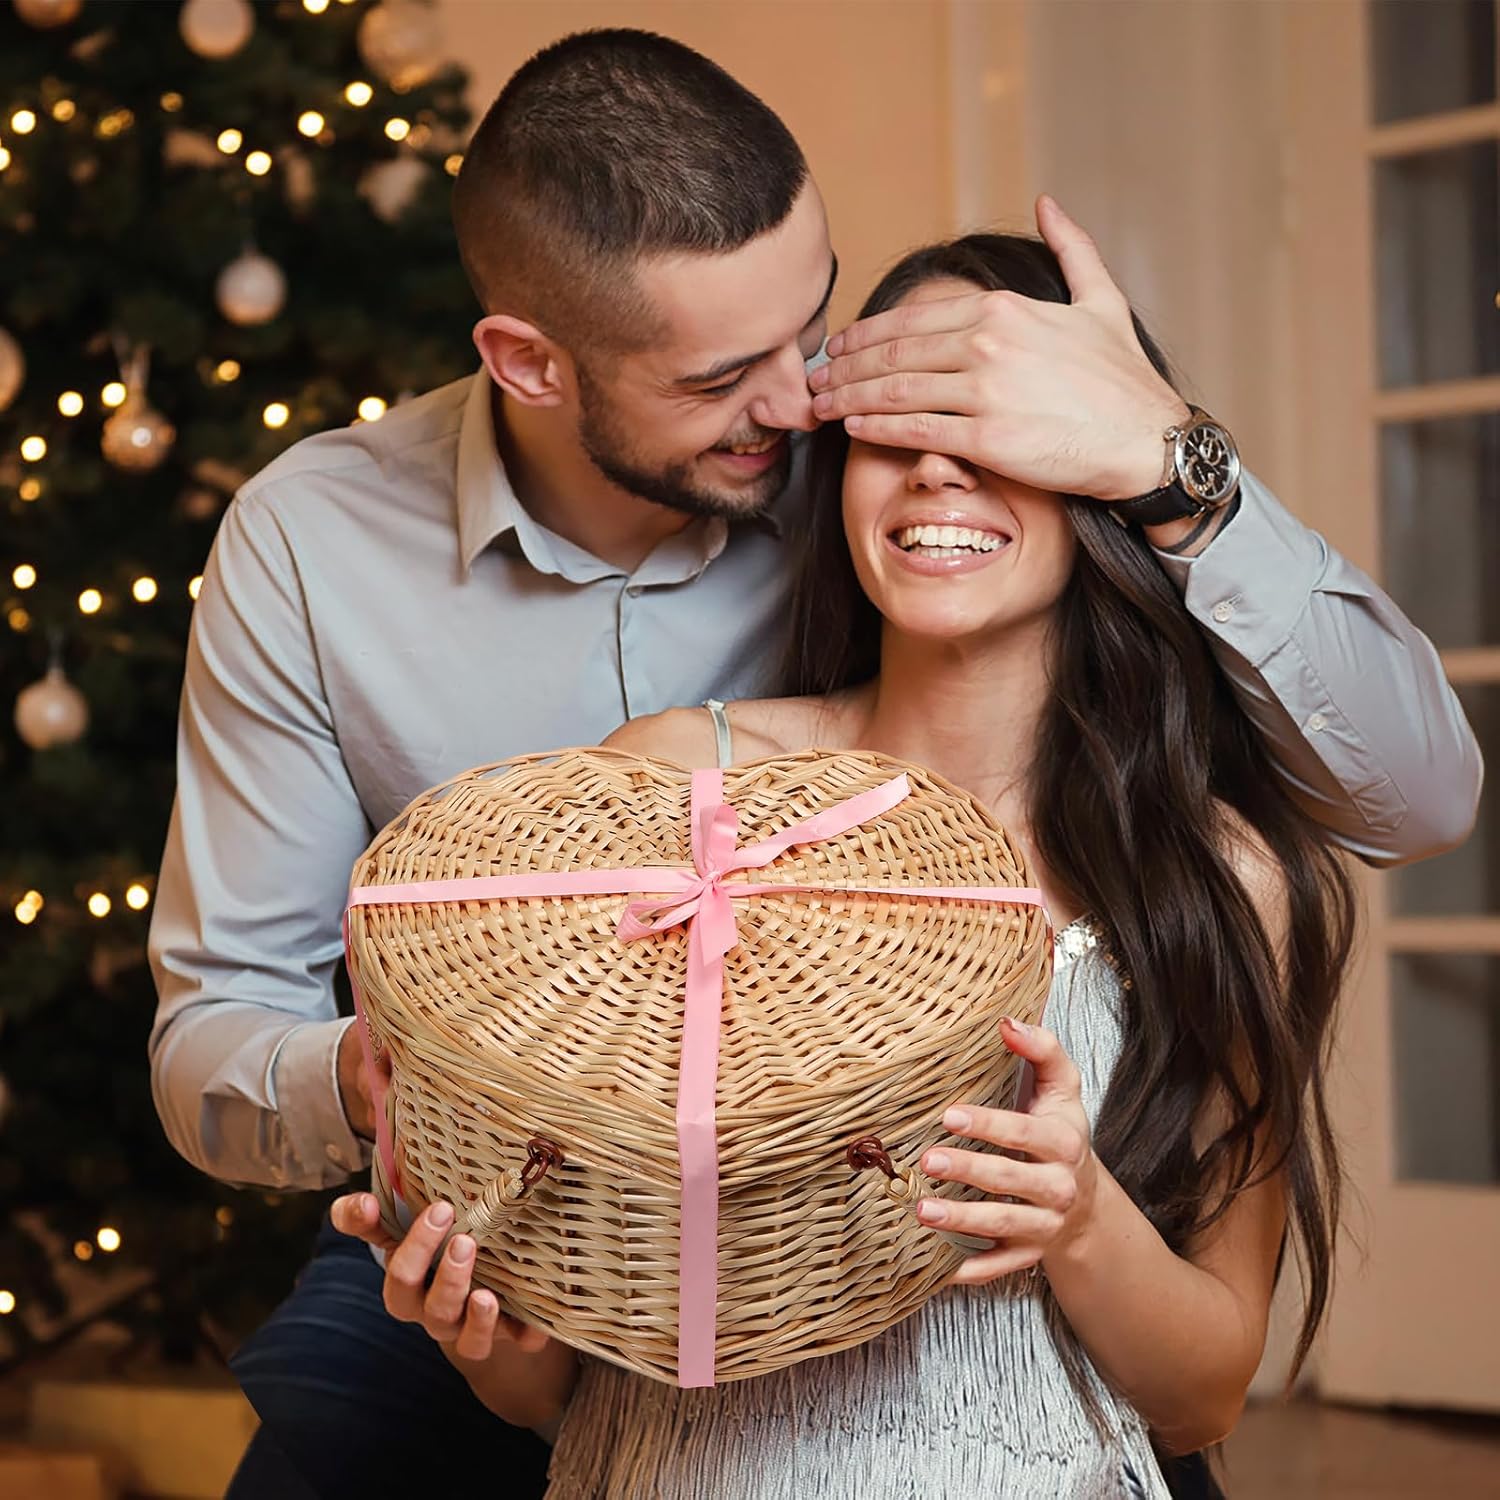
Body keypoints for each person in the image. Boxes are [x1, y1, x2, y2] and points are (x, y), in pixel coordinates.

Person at [144, 29, 1479, 1500]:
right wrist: (427, 1083)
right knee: (333, 1444)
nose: (806, 403)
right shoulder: (316, 545)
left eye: (818, 330)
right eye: (730, 373)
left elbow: (1417, 801)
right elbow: (217, 1028)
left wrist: (1169, 456)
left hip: (987, 1322)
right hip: (524, 1197)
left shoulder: (885, 448)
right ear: (531, 362)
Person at [340, 232, 1361, 1497]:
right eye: (892, 428)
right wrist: (485, 1329)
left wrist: (1078, 1218)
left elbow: (1204, 1398)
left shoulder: (1213, 874)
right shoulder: (676, 785)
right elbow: (559, 1381)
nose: (935, 465)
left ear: (1101, 474)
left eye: (993, 433)